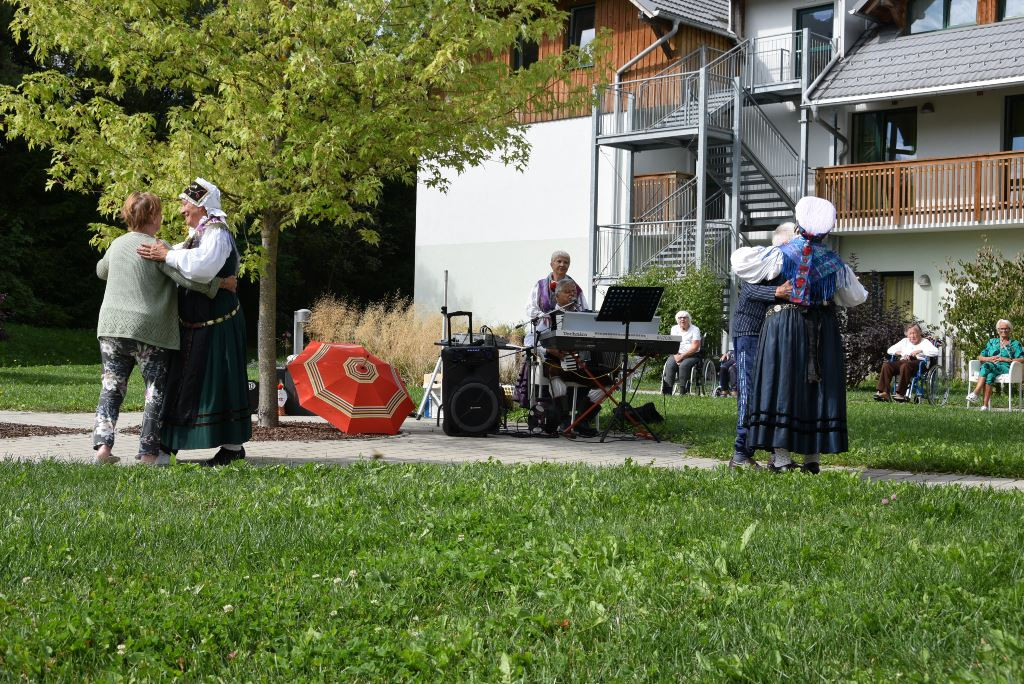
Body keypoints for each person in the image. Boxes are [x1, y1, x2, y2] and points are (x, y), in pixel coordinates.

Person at [93, 192, 233, 465]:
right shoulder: (158, 248)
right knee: (155, 391)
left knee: (111, 388)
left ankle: (102, 450)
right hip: (150, 331)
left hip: (111, 329)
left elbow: (101, 270)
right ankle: (147, 455)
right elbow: (188, 280)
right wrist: (222, 285)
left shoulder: (117, 244)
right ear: (154, 218)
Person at [736, 196, 867, 474]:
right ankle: (812, 460)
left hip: (783, 324)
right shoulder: (835, 264)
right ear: (828, 231)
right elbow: (855, 297)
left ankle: (781, 459)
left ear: (798, 224)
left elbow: (741, 264)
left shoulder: (781, 253)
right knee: (817, 387)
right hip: (822, 326)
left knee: (783, 384)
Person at [137, 178, 251, 466]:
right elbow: (176, 258)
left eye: (185, 203)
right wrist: (160, 251)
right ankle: (169, 445)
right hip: (193, 327)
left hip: (218, 326)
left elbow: (201, 267)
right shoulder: (194, 236)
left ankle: (232, 448)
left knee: (219, 384)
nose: (181, 210)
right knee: (181, 384)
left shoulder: (217, 234)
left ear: (201, 204)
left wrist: (167, 255)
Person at [727, 222, 796, 469]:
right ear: (785, 243)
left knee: (772, 394)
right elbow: (749, 288)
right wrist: (776, 292)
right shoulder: (763, 259)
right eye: (795, 240)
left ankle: (777, 453)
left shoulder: (788, 263)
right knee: (749, 393)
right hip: (750, 334)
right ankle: (740, 454)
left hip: (773, 334)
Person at [524, 277, 606, 436]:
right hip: (556, 363)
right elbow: (529, 340)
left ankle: (581, 420)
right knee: (556, 376)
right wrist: (549, 350)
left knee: (606, 384)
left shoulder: (583, 317)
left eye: (574, 292)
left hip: (580, 364)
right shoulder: (548, 318)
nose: (572, 296)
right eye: (567, 292)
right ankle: (563, 421)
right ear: (557, 297)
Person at [967, 319, 1024, 411]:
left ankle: (976, 392)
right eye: (1001, 329)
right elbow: (980, 357)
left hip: (1007, 367)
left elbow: (1022, 358)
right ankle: (985, 406)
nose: (1004, 331)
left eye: (1006, 329)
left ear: (1010, 330)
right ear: (998, 330)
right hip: (992, 366)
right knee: (989, 375)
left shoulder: (1015, 343)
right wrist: (989, 358)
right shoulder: (992, 342)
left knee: (986, 366)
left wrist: (1007, 359)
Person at [874, 323, 939, 402]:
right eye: (910, 334)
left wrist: (920, 350)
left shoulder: (925, 342)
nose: (912, 336)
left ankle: (900, 394)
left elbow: (935, 352)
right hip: (904, 361)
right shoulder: (905, 341)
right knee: (887, 365)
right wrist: (900, 353)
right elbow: (890, 350)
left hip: (918, 363)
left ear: (920, 333)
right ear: (907, 335)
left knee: (905, 365)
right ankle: (884, 393)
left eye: (914, 333)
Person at [662, 311, 701, 395]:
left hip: (691, 355)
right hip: (676, 353)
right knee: (670, 365)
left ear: (689, 319)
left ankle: (683, 392)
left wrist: (682, 356)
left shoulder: (695, 329)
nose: (682, 319)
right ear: (677, 320)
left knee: (684, 365)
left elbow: (695, 347)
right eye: (680, 318)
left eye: (685, 317)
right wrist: (676, 356)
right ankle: (667, 392)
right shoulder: (674, 328)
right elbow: (672, 344)